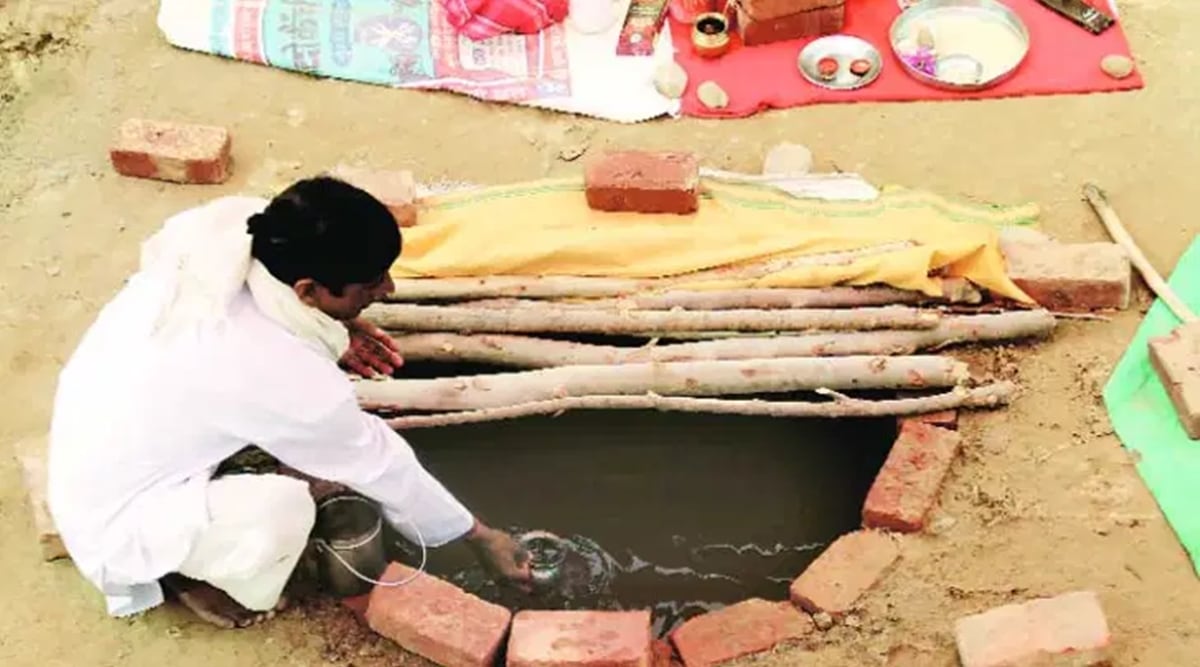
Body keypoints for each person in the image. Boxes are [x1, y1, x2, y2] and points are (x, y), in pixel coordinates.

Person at [46, 176, 531, 629]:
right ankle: (189, 575)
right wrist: (479, 536)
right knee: (283, 512)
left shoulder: (238, 227)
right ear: (308, 292)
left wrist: (332, 327)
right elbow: (380, 464)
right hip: (120, 511)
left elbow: (274, 325)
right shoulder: (273, 373)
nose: (389, 290)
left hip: (100, 424)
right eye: (370, 284)